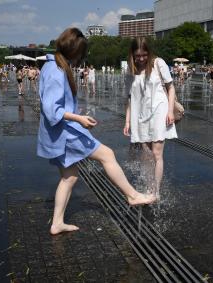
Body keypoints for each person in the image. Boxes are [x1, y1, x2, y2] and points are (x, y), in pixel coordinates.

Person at [37, 28, 156, 235]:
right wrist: (78, 118)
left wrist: (75, 112)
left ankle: (57, 223)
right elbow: (52, 109)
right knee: (107, 155)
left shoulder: (51, 66)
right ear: (74, 52)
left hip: (58, 132)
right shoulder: (56, 71)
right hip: (65, 133)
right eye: (80, 55)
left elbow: (55, 105)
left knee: (70, 177)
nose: (80, 60)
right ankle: (132, 195)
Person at [123, 37, 178, 197]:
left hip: (159, 111)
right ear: (132, 54)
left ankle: (156, 190)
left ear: (149, 53)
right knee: (146, 154)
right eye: (137, 55)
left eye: (144, 55)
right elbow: (129, 97)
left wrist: (169, 111)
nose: (141, 59)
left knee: (156, 154)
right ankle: (149, 186)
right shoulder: (130, 69)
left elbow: (171, 87)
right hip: (140, 114)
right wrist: (127, 121)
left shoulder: (158, 63)